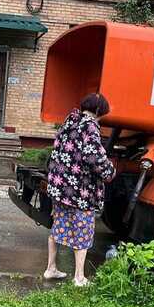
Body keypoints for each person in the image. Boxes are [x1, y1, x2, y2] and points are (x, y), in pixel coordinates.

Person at [44, 93, 115, 287]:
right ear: (98, 111)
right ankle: (79, 277)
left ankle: (51, 268)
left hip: (60, 187)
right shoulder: (90, 126)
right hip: (80, 192)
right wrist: (110, 171)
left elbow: (56, 152)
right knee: (82, 233)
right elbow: (94, 158)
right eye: (103, 114)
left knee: (58, 226)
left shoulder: (69, 121)